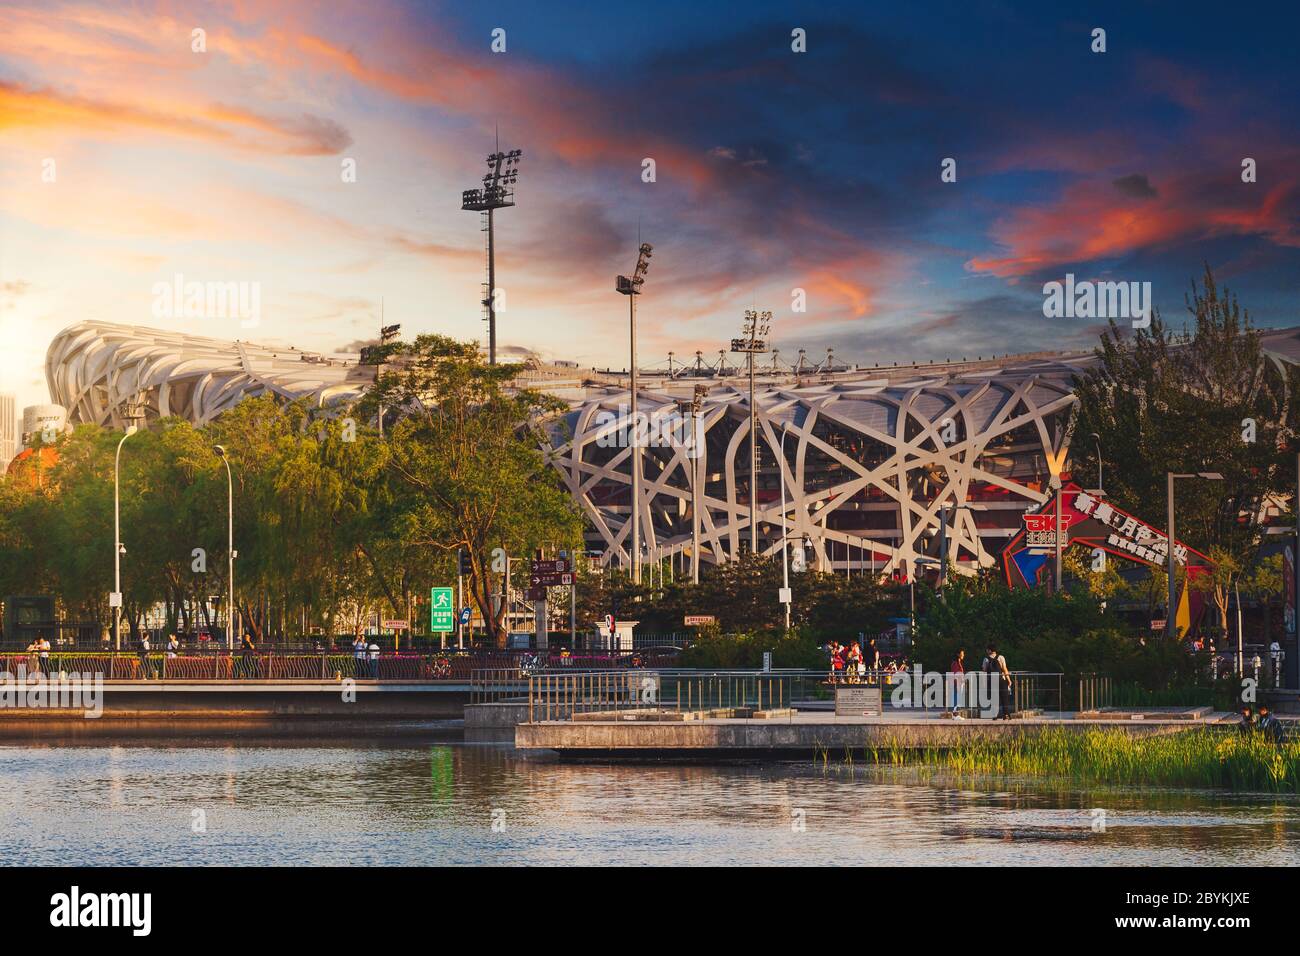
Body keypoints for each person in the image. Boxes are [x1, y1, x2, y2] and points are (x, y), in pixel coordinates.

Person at [982, 644, 1011, 719]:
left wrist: (984, 683)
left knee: (994, 698)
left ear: (990, 650)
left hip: (992, 681)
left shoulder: (986, 659)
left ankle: (995, 715)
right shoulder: (1001, 657)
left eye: (987, 649)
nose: (986, 651)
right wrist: (1009, 680)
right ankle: (1006, 715)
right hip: (1002, 680)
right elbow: (1004, 669)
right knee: (1004, 698)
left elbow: (984, 670)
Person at [949, 648, 966, 718]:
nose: (963, 655)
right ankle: (955, 715)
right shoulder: (955, 663)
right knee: (956, 699)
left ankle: (956, 715)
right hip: (957, 684)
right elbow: (956, 674)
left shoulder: (959, 662)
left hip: (959, 683)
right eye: (962, 654)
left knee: (958, 699)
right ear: (958, 654)